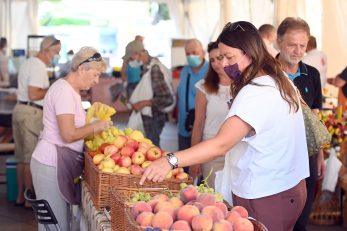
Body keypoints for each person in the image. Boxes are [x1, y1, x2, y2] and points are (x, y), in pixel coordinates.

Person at [140, 21, 309, 231]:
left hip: (268, 194)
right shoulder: (277, 78)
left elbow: (220, 145)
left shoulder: (257, 93)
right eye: (221, 57)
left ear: (250, 53)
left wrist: (171, 161)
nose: (225, 64)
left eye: (230, 57)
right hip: (286, 187)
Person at [30, 47, 111, 231]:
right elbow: (68, 135)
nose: (97, 81)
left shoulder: (71, 90)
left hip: (57, 162)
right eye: (95, 75)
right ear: (82, 69)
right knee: (55, 227)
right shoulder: (64, 92)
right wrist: (95, 126)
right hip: (51, 164)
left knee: (60, 224)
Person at [276, 17, 326, 231]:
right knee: (278, 213)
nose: (297, 51)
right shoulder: (267, 75)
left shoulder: (311, 74)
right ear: (278, 42)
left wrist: (320, 154)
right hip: (276, 155)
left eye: (302, 45)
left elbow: (315, 117)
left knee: (302, 216)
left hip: (306, 155)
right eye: (292, 44)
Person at [12, 35, 61, 208]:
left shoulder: (28, 62)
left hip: (19, 110)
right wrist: (52, 89)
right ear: (47, 50)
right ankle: (28, 199)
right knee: (29, 159)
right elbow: (34, 94)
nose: (56, 56)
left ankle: (19, 196)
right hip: (31, 113)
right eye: (56, 52)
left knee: (20, 158)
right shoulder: (39, 66)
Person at [189, 41, 232, 188]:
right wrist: (195, 159)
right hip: (212, 151)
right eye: (212, 60)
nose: (216, 63)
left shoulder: (243, 85)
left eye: (219, 58)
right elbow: (198, 123)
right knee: (215, 199)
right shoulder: (204, 86)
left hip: (237, 150)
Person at [129, 49, 175, 146]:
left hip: (154, 118)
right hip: (147, 118)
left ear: (140, 54)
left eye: (131, 58)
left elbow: (166, 99)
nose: (130, 62)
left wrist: (143, 103)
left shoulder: (154, 71)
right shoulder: (145, 69)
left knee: (152, 147)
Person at [177, 39, 209, 154]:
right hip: (184, 126)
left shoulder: (211, 71)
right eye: (188, 54)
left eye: (195, 53)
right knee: (182, 167)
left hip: (203, 128)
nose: (191, 56)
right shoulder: (185, 70)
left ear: (203, 52)